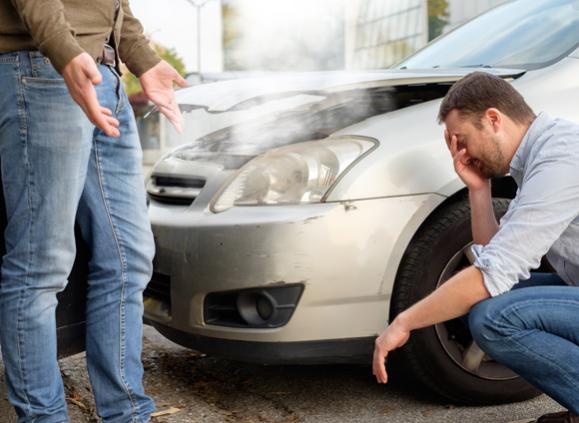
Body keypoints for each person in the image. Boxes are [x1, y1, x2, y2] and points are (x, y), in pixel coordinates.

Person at [0, 0, 187, 421]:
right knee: (40, 265)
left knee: (130, 258)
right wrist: (64, 52)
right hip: (44, 68)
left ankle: (126, 413)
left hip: (104, 75)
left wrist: (141, 58)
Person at [372, 72, 579, 423]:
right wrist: (478, 190)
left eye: (463, 140)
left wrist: (403, 323)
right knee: (487, 303)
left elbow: (493, 273)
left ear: (493, 119)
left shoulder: (562, 158)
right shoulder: (540, 157)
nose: (461, 152)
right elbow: (495, 256)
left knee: (495, 318)